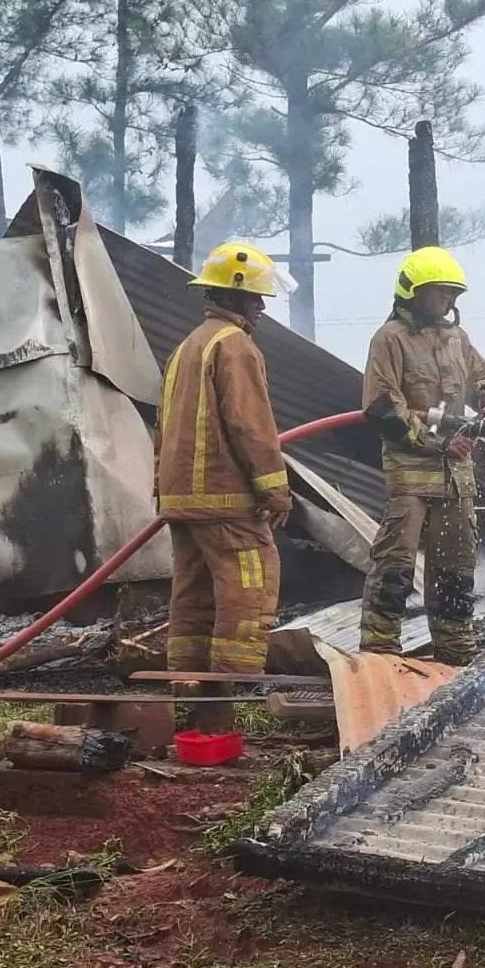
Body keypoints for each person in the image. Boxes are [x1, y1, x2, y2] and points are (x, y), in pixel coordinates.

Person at [156, 241, 291, 731]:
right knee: (249, 585)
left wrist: (164, 492)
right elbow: (251, 425)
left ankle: (186, 698)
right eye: (257, 299)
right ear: (235, 297)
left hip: (183, 501)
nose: (260, 308)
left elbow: (164, 427)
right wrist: (275, 490)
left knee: (194, 597)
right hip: (227, 500)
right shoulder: (234, 346)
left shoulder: (187, 346)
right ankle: (229, 702)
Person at [359, 246, 485, 666]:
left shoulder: (457, 338)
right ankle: (381, 656)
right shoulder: (389, 340)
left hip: (458, 476)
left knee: (457, 569)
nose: (449, 301)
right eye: (440, 292)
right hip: (411, 475)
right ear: (413, 292)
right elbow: (383, 407)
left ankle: (456, 653)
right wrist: (438, 443)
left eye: (452, 293)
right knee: (395, 569)